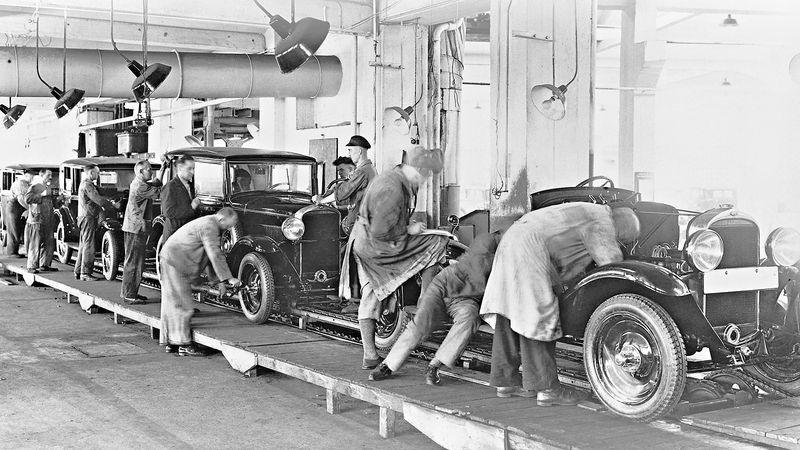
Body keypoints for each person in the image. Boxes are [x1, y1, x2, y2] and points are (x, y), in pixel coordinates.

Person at [480, 202, 640, 404]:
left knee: (510, 310)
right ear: (620, 227)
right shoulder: (601, 219)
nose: (620, 242)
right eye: (623, 240)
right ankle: (547, 388)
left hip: (511, 240)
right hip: (529, 248)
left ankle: (506, 381)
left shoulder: (586, 210)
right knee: (538, 316)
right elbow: (612, 264)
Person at [340, 146, 449, 370]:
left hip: (364, 242)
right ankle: (425, 304)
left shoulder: (395, 179)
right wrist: (410, 229)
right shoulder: (393, 187)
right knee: (438, 243)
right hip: (378, 246)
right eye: (423, 174)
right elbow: (383, 228)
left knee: (370, 293)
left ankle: (370, 355)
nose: (424, 179)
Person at [369, 230, 504, 385]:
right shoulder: (488, 243)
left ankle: (435, 365)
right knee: (421, 323)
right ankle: (388, 365)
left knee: (470, 317)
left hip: (467, 298)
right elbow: (481, 272)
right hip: (444, 287)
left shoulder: (504, 251)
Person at [159, 207, 241, 356]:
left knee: (171, 303)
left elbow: (207, 256)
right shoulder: (210, 226)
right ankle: (183, 344)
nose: (230, 228)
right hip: (176, 261)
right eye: (229, 224)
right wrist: (229, 278)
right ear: (222, 219)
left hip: (171, 258)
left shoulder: (209, 223)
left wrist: (219, 282)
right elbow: (214, 254)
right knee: (183, 305)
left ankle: (171, 343)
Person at [120, 159, 166, 304]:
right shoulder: (140, 186)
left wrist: (164, 166)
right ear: (141, 171)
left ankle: (131, 292)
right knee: (133, 261)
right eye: (149, 169)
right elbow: (160, 192)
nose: (151, 171)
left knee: (138, 262)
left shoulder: (141, 183)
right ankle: (128, 294)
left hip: (137, 227)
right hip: (135, 228)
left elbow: (157, 182)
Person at [315, 136, 378, 235]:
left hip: (356, 225)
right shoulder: (370, 169)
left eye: (350, 150)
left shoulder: (362, 171)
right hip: (366, 221)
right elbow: (356, 196)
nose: (349, 154)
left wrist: (322, 201)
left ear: (360, 151)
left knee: (323, 231)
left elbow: (343, 192)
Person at [74, 164, 114, 281]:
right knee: (89, 245)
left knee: (83, 245)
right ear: (91, 173)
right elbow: (98, 199)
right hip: (88, 217)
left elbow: (100, 191)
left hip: (84, 217)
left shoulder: (87, 184)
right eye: (97, 173)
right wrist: (112, 205)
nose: (98, 174)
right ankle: (85, 274)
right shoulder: (87, 185)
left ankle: (78, 271)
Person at [23, 169, 58, 273]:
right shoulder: (35, 186)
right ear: (41, 175)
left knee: (48, 243)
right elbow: (27, 199)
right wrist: (42, 195)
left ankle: (45, 264)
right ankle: (31, 266)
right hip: (36, 220)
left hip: (47, 220)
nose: (50, 177)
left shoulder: (48, 187)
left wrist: (59, 199)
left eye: (51, 175)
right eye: (48, 175)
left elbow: (53, 203)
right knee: (35, 243)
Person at [160, 155, 200, 243]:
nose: (192, 172)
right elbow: (168, 212)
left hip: (186, 235)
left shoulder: (191, 187)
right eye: (189, 168)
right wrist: (192, 207)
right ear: (180, 168)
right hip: (174, 237)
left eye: (193, 169)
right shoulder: (170, 186)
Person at [4, 169, 34, 257]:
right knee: (14, 230)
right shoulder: (21, 183)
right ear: (27, 176)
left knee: (18, 229)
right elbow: (21, 199)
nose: (33, 178)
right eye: (32, 176)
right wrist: (30, 208)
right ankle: (12, 252)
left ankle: (16, 251)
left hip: (19, 208)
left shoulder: (26, 184)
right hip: (14, 208)